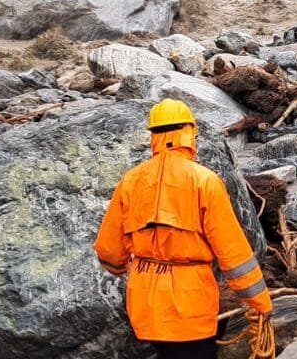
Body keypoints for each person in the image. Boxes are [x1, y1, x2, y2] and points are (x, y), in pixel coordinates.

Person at [95, 100, 274, 359]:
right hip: (189, 305)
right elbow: (233, 254)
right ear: (190, 134)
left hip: (144, 302)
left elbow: (109, 250)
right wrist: (260, 302)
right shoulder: (204, 181)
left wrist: (121, 268)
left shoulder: (131, 181)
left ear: (153, 136)